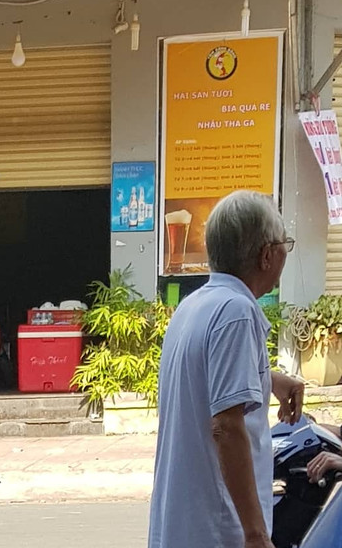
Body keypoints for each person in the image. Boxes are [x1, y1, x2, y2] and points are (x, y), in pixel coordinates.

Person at [149, 191, 305, 548]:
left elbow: (205, 384)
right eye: (285, 243)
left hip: (183, 527)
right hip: (219, 530)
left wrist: (270, 380)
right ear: (267, 255)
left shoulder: (194, 307)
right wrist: (255, 534)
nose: (284, 252)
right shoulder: (236, 312)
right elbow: (227, 426)